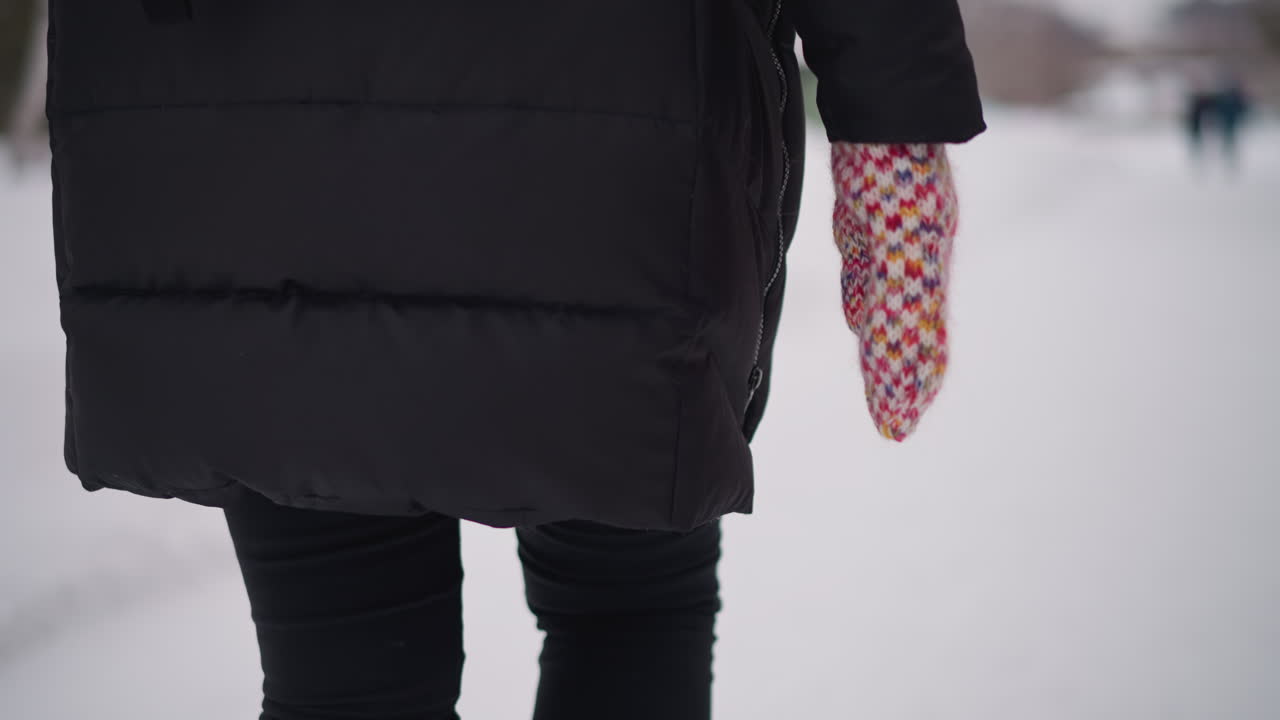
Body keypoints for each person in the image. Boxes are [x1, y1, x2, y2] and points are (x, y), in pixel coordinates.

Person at [45, 1, 984, 718]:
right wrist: (894, 127)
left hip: (244, 139)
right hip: (615, 135)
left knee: (343, 675)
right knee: (623, 616)